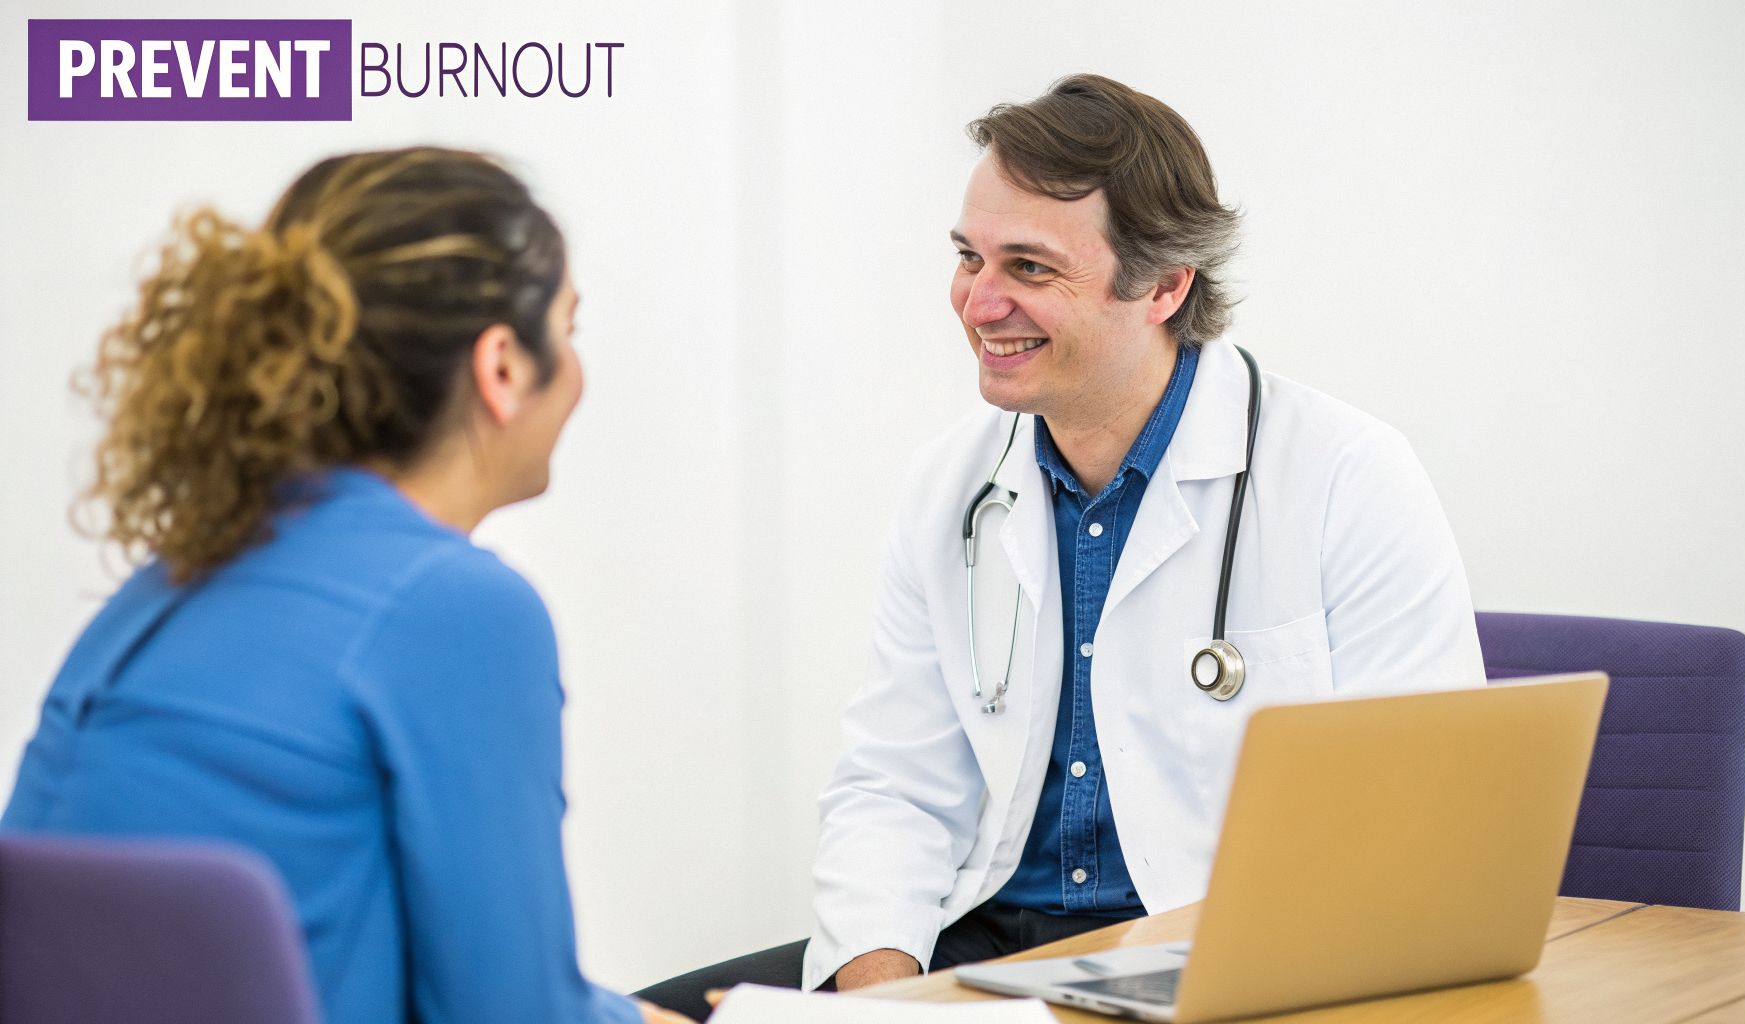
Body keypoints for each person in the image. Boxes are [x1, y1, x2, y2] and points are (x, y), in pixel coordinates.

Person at [634, 74, 1486, 1020]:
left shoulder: (1343, 476)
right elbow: (895, 787)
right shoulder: (952, 487)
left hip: (1211, 959)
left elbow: (1416, 833)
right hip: (984, 946)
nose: (978, 303)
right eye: (969, 257)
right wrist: (879, 1006)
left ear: (1164, 285)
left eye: (1030, 269)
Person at [2, 148, 688, 1024]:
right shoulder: (458, 609)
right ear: (504, 367)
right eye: (571, 327)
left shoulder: (161, 590)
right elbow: (508, 1014)